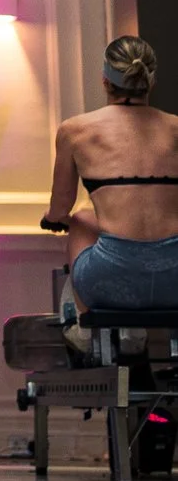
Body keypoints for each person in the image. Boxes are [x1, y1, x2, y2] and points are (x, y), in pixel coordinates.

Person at [40, 38, 178, 313]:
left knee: (80, 218)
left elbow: (62, 205)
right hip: (174, 277)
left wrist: (54, 219)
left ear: (105, 81)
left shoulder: (75, 131)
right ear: (151, 81)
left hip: (111, 280)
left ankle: (82, 325)